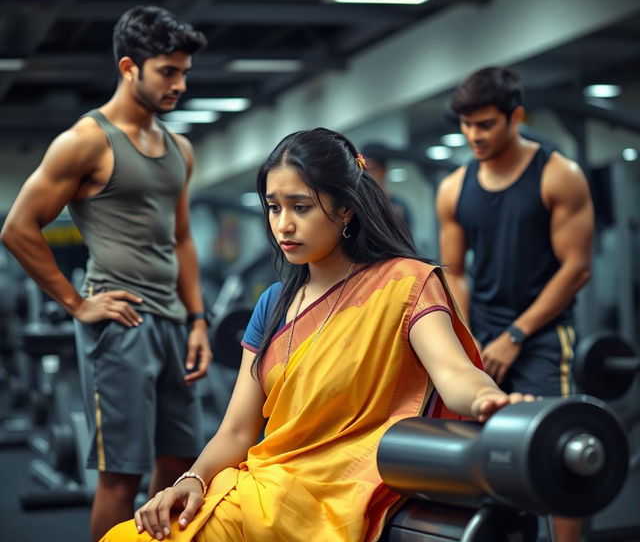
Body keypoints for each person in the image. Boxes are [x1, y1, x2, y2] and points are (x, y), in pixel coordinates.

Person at [102, 127, 533, 542]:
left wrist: (487, 400)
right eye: (273, 207)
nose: (283, 225)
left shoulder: (405, 283)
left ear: (345, 209)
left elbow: (455, 372)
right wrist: (192, 479)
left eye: (301, 207)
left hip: (338, 493)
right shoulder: (273, 303)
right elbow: (236, 429)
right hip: (267, 487)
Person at [1, 5, 213, 541]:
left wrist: (198, 320)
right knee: (122, 476)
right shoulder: (86, 141)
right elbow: (19, 228)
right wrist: (77, 303)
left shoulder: (179, 149)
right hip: (119, 326)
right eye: (168, 71)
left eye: (184, 72)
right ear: (128, 68)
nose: (180, 84)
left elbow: (182, 238)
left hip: (173, 323)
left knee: (182, 460)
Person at [436, 66, 594, 542]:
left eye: (485, 124)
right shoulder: (453, 188)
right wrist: (467, 340)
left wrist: (516, 335)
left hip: (543, 336)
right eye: (466, 125)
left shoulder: (558, 175)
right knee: (487, 452)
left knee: (560, 450)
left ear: (515, 117)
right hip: (482, 337)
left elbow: (576, 268)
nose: (473, 135)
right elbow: (455, 272)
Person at [362, 143, 412, 229]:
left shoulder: (399, 206)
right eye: (363, 170)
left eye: (371, 169)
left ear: (383, 170)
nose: (367, 175)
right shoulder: (358, 205)